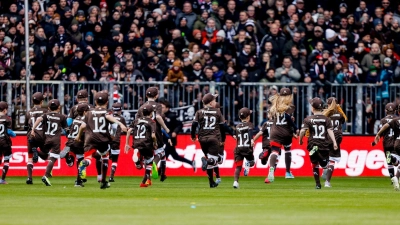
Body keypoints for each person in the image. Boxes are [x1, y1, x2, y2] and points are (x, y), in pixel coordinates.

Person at [76, 92, 127, 189]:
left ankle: (84, 163)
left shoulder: (89, 113)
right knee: (105, 157)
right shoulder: (107, 112)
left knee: (88, 158)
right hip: (103, 139)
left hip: (90, 139)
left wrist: (78, 136)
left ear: (95, 102)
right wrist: (119, 125)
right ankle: (103, 181)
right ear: (107, 102)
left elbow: (82, 126)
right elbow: (109, 119)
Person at [299, 97, 338, 189]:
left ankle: (317, 184)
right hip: (324, 144)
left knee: (314, 165)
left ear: (313, 108)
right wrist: (335, 142)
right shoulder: (326, 119)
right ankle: (321, 160)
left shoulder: (308, 119)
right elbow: (330, 131)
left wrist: (300, 140)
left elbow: (302, 131)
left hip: (312, 143)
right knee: (325, 164)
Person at [135, 87, 170, 182]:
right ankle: (159, 169)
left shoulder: (141, 107)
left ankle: (147, 179)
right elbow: (158, 117)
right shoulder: (158, 105)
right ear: (157, 95)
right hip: (155, 132)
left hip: (143, 134)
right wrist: (166, 128)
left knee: (147, 158)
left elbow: (136, 120)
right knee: (161, 152)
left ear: (146, 95)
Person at [30, 99, 68, 186]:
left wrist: (33, 129)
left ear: (48, 107)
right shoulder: (62, 117)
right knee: (53, 158)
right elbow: (66, 129)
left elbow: (39, 119)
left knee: (45, 154)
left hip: (46, 138)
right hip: (55, 140)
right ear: (59, 107)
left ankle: (37, 151)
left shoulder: (46, 115)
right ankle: (46, 175)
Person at [191, 93, 225, 188]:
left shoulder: (199, 112)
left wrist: (193, 135)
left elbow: (194, 125)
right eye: (214, 100)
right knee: (213, 160)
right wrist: (223, 139)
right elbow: (223, 127)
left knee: (210, 160)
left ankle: (211, 182)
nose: (215, 102)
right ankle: (206, 161)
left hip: (202, 139)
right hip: (214, 138)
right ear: (210, 103)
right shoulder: (218, 112)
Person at [267, 88, 298, 182]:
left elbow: (271, 116)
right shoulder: (290, 107)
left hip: (275, 131)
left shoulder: (275, 105)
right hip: (286, 132)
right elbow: (288, 119)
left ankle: (271, 169)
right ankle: (288, 172)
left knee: (275, 152)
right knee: (287, 150)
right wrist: (295, 128)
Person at [125, 105, 157, 187]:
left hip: (136, 143)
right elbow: (153, 136)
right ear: (151, 113)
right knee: (149, 160)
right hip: (147, 143)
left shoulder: (136, 120)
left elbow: (129, 131)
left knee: (140, 166)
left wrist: (127, 144)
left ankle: (145, 180)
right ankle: (145, 180)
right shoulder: (152, 122)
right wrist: (155, 143)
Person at [160, 100, 196, 171]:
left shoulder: (172, 115)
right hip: (163, 138)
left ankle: (159, 171)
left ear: (167, 108)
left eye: (163, 107)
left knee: (164, 155)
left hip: (170, 139)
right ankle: (191, 162)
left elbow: (180, 124)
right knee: (175, 156)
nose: (161, 109)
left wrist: (175, 132)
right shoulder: (160, 116)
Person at [321, 97, 347, 187]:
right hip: (337, 137)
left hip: (327, 137)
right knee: (333, 159)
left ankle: (325, 166)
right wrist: (339, 108)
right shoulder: (339, 114)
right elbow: (345, 119)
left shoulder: (325, 114)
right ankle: (327, 182)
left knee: (326, 154)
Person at [374, 104, 400, 191]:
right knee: (396, 162)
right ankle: (396, 176)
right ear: (395, 111)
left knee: (389, 162)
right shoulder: (396, 119)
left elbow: (383, 129)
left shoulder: (383, 120)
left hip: (386, 142)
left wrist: (378, 136)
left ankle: (392, 178)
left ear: (386, 111)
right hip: (395, 141)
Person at [24, 92, 48, 184]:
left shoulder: (29, 112)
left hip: (31, 135)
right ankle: (37, 151)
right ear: (42, 101)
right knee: (46, 156)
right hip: (42, 135)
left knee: (30, 157)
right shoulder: (45, 111)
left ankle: (29, 178)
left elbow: (25, 127)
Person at [64, 103, 89, 187]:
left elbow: (70, 128)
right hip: (79, 141)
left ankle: (69, 156)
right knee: (81, 161)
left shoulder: (76, 118)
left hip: (71, 140)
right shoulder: (86, 119)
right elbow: (84, 127)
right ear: (85, 112)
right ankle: (78, 181)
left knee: (73, 157)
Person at [232, 107, 255, 189]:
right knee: (252, 163)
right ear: (248, 117)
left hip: (238, 149)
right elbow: (250, 131)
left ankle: (235, 182)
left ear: (239, 117)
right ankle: (248, 164)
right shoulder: (250, 124)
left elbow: (235, 136)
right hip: (247, 148)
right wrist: (252, 139)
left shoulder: (237, 126)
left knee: (238, 166)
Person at [253, 111, 275, 183]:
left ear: (270, 115)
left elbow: (260, 133)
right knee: (275, 159)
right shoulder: (277, 124)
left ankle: (264, 155)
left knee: (263, 163)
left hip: (266, 143)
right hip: (275, 143)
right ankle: (269, 176)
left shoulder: (266, 123)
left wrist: (253, 140)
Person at [109, 102, 127, 182]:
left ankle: (101, 176)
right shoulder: (121, 119)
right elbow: (125, 129)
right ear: (120, 110)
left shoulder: (108, 117)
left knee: (104, 158)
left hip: (107, 140)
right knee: (115, 160)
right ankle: (111, 176)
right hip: (116, 141)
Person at [0, 101, 16, 184]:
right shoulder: (8, 119)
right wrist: (14, 134)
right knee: (6, 160)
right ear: (5, 110)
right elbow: (9, 132)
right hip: (5, 142)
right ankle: (2, 179)